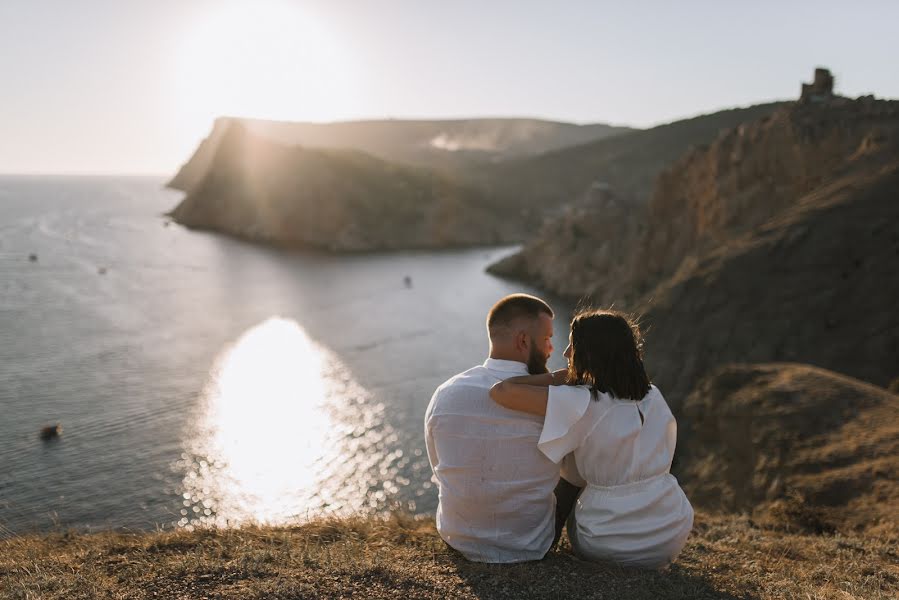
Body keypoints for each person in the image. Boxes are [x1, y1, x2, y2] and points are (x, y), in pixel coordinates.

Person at [490, 309, 694, 569]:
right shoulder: (652, 395)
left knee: (571, 463)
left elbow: (502, 391)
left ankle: (542, 540)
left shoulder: (583, 401)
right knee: (584, 451)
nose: (565, 354)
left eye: (572, 346)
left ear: (591, 352)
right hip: (670, 530)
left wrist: (560, 376)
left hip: (607, 540)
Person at [424, 293, 578, 562]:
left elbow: (437, 466)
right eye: (547, 339)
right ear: (522, 341)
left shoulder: (445, 392)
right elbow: (574, 469)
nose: (552, 349)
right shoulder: (551, 399)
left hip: (457, 538)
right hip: (531, 545)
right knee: (576, 471)